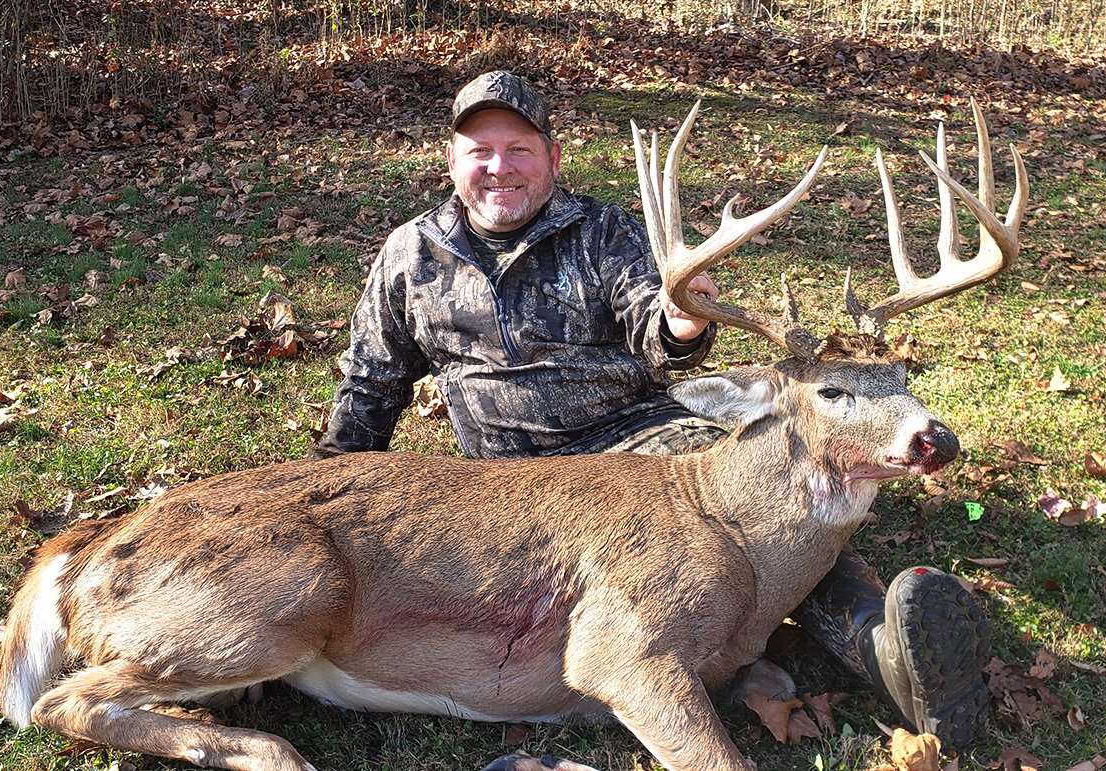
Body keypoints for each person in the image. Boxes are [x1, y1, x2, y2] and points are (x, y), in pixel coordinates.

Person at [317, 70, 991, 748]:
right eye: (480, 151)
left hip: (638, 440)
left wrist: (681, 323)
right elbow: (372, 385)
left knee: (767, 507)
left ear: (552, 158)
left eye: (519, 149)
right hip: (516, 481)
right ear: (452, 161)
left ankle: (880, 643)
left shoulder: (602, 232)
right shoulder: (411, 253)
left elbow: (657, 333)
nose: (500, 168)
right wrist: (326, 490)